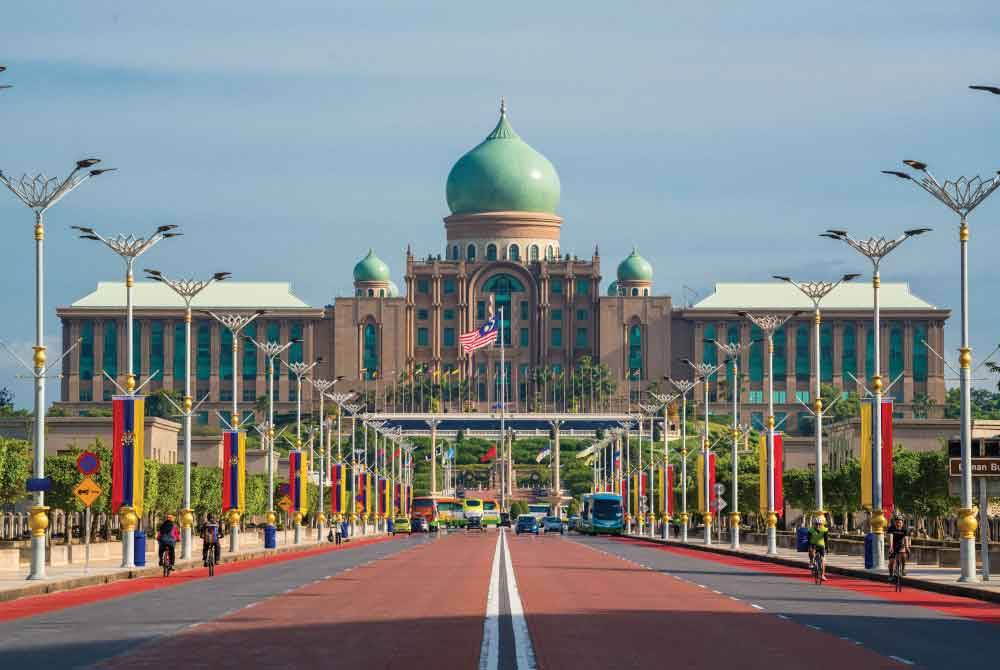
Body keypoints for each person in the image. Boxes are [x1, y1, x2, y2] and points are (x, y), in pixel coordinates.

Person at [807, 515, 829, 581]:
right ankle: (811, 562)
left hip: (821, 544)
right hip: (813, 544)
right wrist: (809, 548)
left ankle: (822, 575)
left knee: (823, 560)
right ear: (814, 524)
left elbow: (826, 540)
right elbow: (808, 539)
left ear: (822, 524)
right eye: (816, 524)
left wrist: (827, 548)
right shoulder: (811, 530)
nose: (818, 526)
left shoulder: (824, 530)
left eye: (819, 524)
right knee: (812, 552)